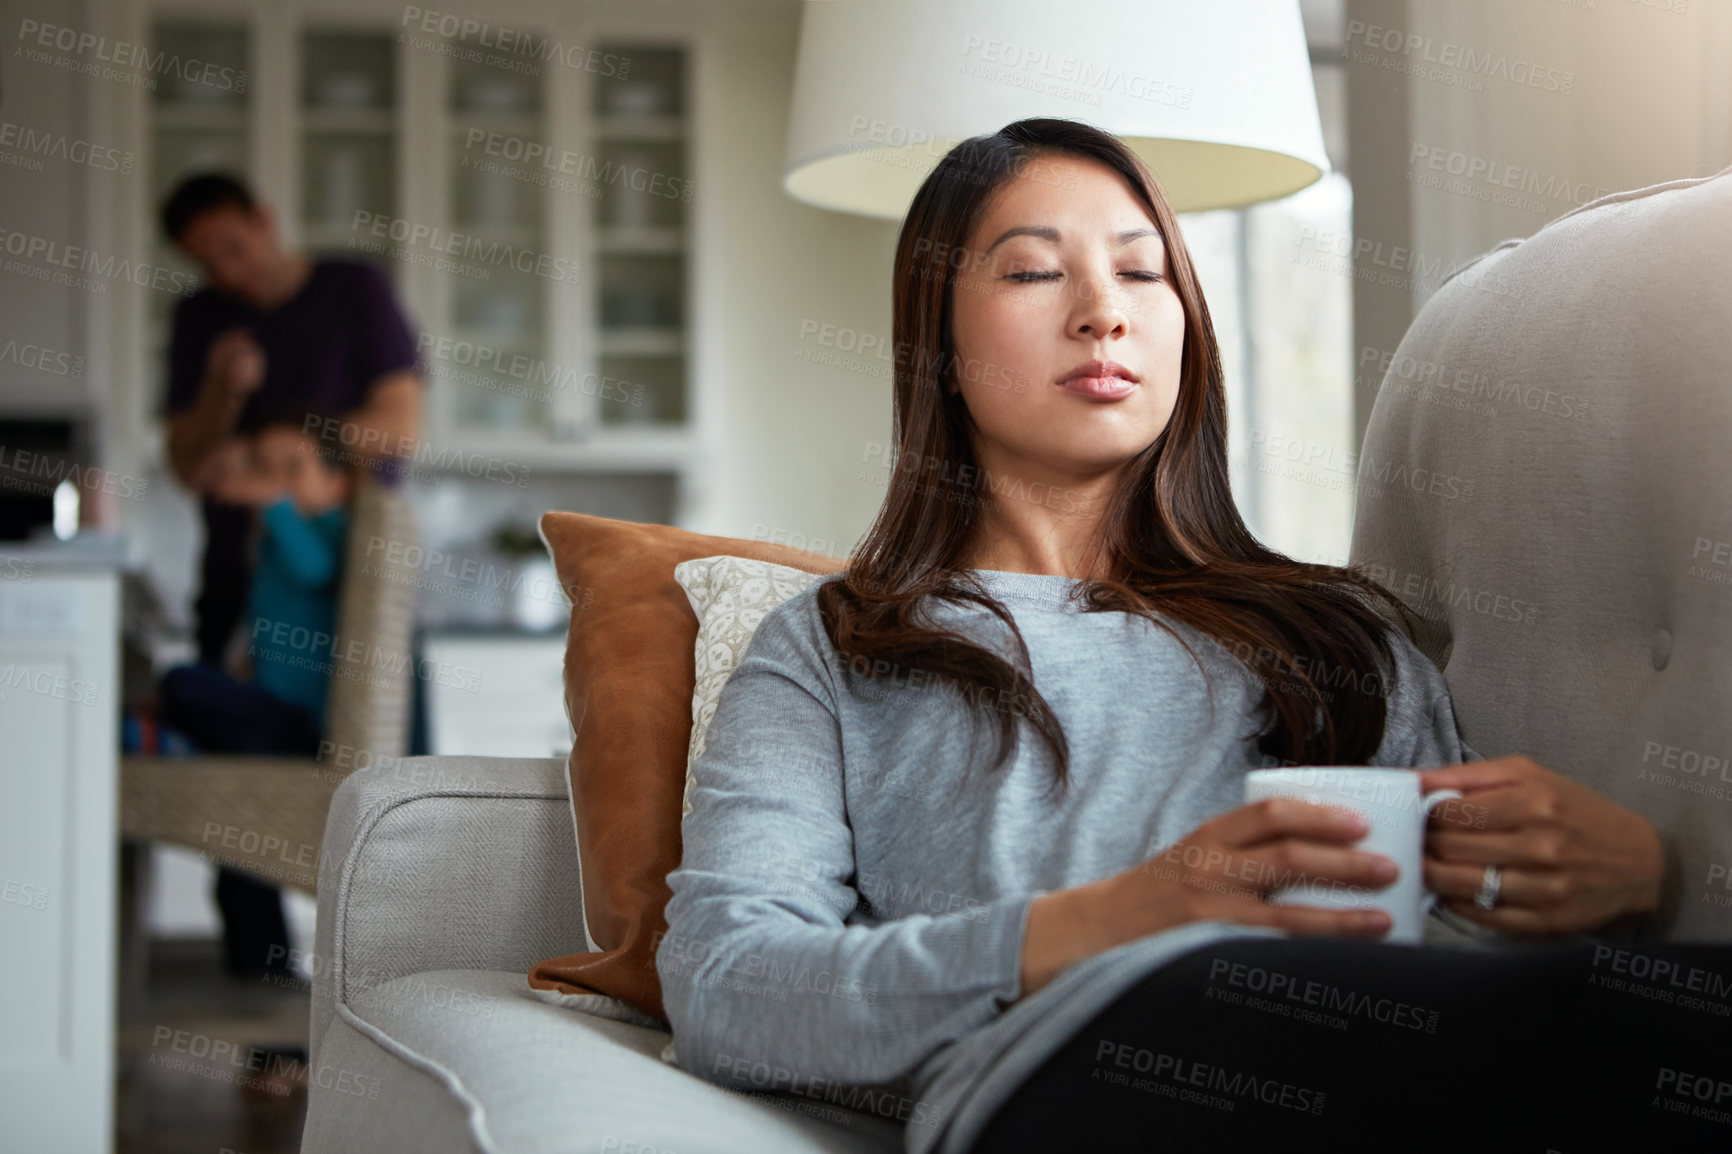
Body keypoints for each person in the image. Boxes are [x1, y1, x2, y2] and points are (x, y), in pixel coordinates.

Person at [655, 120, 1726, 1153]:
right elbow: (726, 986)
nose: (1100, 313)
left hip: (1388, 1053)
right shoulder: (833, 649)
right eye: (1033, 272)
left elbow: (1459, 961)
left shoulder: (1338, 632)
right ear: (932, 331)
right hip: (1063, 1072)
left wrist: (1620, 884)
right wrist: (1118, 918)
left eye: (1143, 271)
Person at [157, 171, 422, 982]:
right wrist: (219, 393)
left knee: (390, 782)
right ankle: (268, 1016)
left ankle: (396, 979)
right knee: (234, 790)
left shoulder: (353, 291)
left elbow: (397, 427)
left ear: (267, 220)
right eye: (208, 262)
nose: (228, 273)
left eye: (234, 248)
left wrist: (280, 469)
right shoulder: (201, 320)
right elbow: (187, 463)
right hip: (239, 578)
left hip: (359, 579)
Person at [157, 413, 351, 978]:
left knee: (177, 683)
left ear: (336, 485)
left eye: (294, 469)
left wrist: (273, 501)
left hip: (295, 722)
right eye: (264, 469)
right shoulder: (273, 542)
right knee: (240, 861)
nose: (276, 482)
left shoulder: (332, 530)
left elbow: (315, 569)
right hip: (269, 715)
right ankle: (272, 1032)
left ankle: (153, 729)